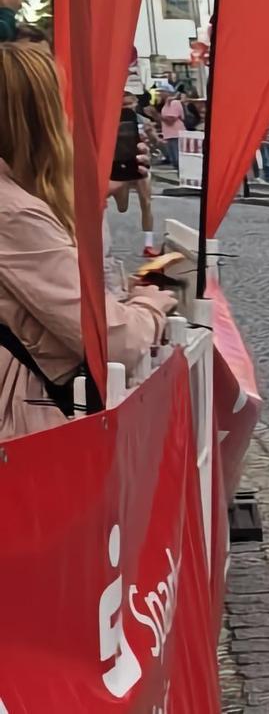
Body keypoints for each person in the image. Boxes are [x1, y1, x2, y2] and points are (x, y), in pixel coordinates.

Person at [0, 43, 178, 439]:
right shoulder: (12, 213)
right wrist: (151, 303)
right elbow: (114, 340)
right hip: (27, 433)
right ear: (38, 117)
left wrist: (92, 194)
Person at [110, 90, 162, 257]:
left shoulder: (143, 121)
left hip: (140, 167)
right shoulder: (112, 121)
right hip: (121, 166)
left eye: (130, 104)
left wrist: (152, 136)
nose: (127, 107)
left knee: (146, 203)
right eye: (123, 105)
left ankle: (148, 244)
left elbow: (154, 143)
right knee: (122, 207)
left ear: (136, 104)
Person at [159, 87, 185, 168]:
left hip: (175, 134)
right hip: (169, 134)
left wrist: (155, 115)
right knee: (173, 160)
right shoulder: (166, 104)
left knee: (177, 159)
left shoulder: (174, 103)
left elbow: (171, 120)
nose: (160, 94)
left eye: (162, 91)